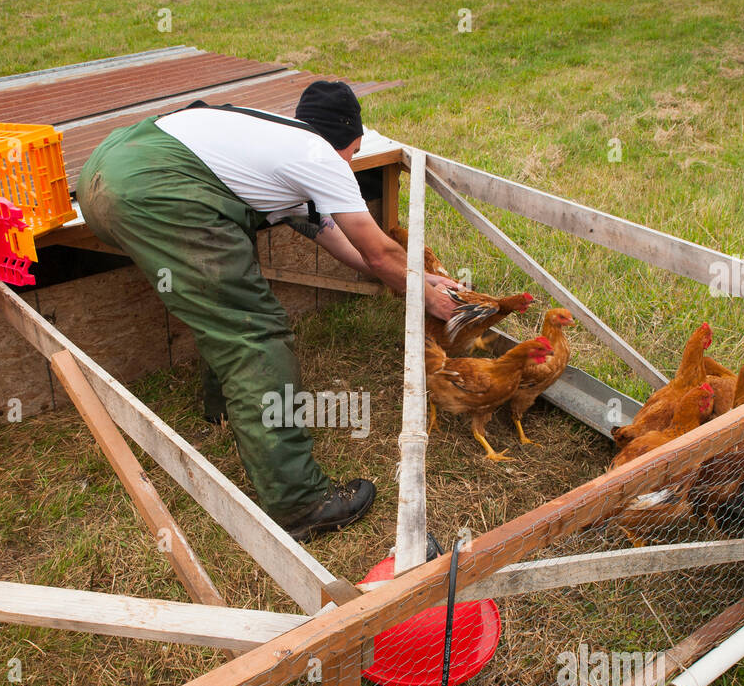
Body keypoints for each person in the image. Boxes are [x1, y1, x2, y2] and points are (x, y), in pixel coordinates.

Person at [76, 81, 460, 540]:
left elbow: (346, 244)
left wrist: (417, 278)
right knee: (254, 333)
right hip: (153, 188)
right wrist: (427, 297)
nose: (352, 163)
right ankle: (300, 502)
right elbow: (380, 251)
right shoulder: (320, 157)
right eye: (354, 151)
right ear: (341, 141)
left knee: (223, 299)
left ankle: (225, 409)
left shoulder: (272, 144)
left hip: (105, 170)